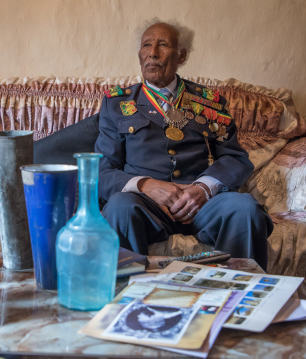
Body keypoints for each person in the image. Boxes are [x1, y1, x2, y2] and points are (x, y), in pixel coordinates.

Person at [94, 19, 273, 270]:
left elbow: (236, 158)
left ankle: (240, 299)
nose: (152, 53)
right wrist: (146, 185)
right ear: (140, 54)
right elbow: (101, 169)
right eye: (147, 45)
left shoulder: (209, 102)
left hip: (202, 204)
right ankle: (126, 300)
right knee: (120, 206)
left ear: (182, 55)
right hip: (145, 205)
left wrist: (203, 188)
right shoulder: (116, 104)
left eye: (163, 45)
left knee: (244, 208)